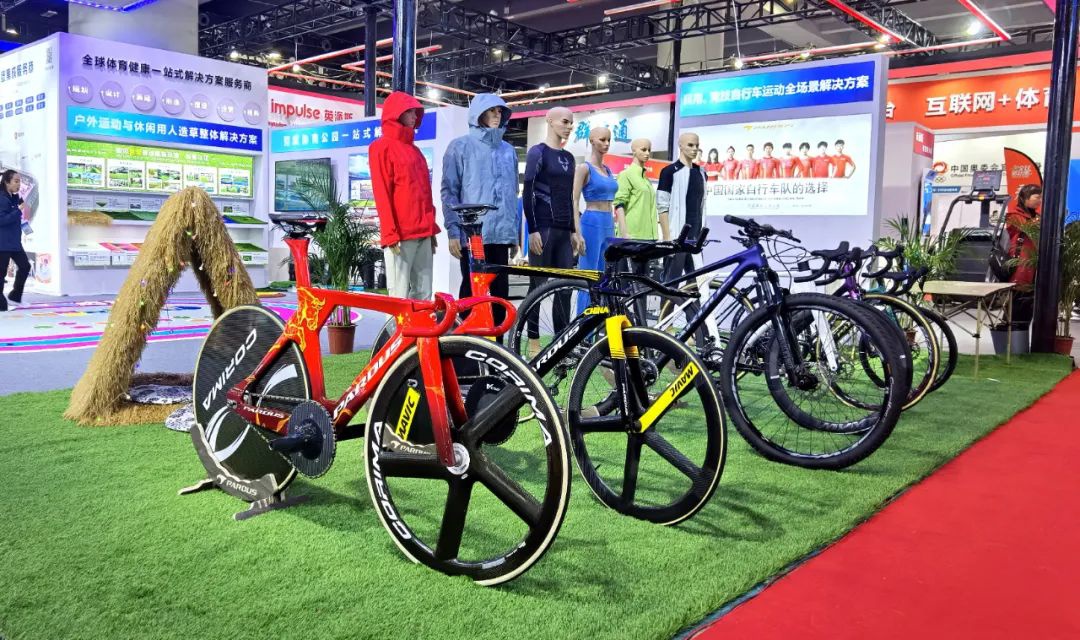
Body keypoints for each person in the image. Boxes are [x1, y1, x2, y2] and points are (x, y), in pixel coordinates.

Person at [441, 93, 519, 331]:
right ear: (479, 113)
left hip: (501, 235)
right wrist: (453, 230)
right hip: (473, 234)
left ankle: (498, 346)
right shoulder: (459, 147)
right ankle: (465, 345)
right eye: (491, 110)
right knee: (471, 293)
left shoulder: (509, 151)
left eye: (500, 111)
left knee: (500, 294)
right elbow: (450, 191)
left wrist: (513, 234)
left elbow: (512, 193)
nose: (497, 115)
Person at [370, 91, 440, 300]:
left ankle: (420, 326)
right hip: (400, 236)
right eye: (409, 111)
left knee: (424, 294)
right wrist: (390, 234)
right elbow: (382, 193)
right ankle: (397, 326)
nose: (414, 116)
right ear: (396, 113)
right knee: (398, 296)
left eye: (415, 112)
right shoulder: (380, 148)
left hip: (423, 233)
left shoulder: (416, 152)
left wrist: (431, 228)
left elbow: (425, 193)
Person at [523, 106, 578, 354]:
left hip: (564, 231)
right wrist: (532, 229)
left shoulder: (570, 158)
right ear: (550, 121)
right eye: (565, 121)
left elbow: (569, 197)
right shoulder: (538, 152)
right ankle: (533, 341)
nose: (568, 127)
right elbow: (528, 193)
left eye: (571, 123)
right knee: (538, 286)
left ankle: (561, 340)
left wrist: (573, 230)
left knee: (565, 288)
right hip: (543, 228)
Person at [657, 133, 716, 341]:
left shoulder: (701, 173)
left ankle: (695, 331)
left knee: (696, 285)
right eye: (690, 145)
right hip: (677, 238)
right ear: (680, 146)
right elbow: (662, 206)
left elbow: (702, 205)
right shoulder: (669, 172)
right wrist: (668, 238)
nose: (694, 148)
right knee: (671, 285)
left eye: (697, 145)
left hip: (695, 239)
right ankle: (664, 329)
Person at [573, 127, 619, 312]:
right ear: (592, 141)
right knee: (589, 276)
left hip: (608, 223)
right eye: (602, 139)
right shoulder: (584, 168)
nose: (606, 144)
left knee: (605, 275)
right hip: (592, 223)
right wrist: (577, 232)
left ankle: (599, 320)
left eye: (609, 140)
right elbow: (574, 200)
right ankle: (584, 322)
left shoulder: (607, 170)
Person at [1007, 184, 1043, 300]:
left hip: (1034, 260)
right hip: (1021, 260)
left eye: (1041, 197)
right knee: (1018, 292)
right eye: (1037, 197)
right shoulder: (1014, 215)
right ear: (1025, 198)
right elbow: (1026, 227)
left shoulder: (1038, 216)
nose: (1040, 200)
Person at [0, 169, 30, 312]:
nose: (19, 185)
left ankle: (15, 296)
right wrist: (18, 210)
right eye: (16, 181)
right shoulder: (1, 198)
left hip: (14, 242)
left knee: (25, 266)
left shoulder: (15, 197)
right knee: (1, 274)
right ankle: (1, 305)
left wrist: (26, 227)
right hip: (3, 243)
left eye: (20, 182)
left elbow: (20, 217)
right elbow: (2, 220)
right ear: (7, 182)